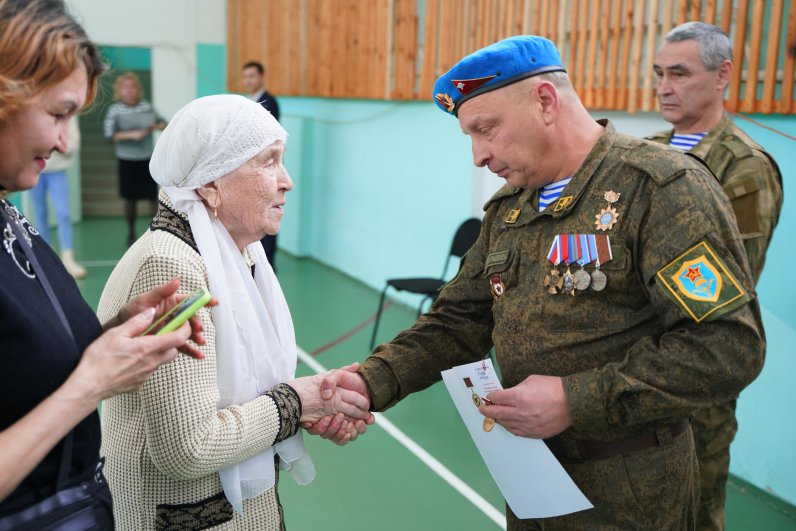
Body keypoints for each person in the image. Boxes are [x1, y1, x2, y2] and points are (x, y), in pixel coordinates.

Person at [311, 36, 766, 530]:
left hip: (631, 497)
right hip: (530, 481)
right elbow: (458, 320)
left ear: (545, 102)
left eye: (486, 130)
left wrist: (576, 398)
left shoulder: (660, 189)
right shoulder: (511, 208)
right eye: (470, 136)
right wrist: (371, 380)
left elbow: (727, 346)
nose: (478, 156)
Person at [97, 94, 373, 531]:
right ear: (210, 186)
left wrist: (311, 405)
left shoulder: (233, 254)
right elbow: (187, 447)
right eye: (268, 162)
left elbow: (247, 389)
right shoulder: (170, 269)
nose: (287, 181)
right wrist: (297, 402)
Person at [0, 0, 209, 527]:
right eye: (57, 114)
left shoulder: (8, 211)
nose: (64, 141)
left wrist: (111, 337)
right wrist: (91, 383)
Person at [649, 21, 783, 531]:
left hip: (694, 382)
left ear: (722, 74)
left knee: (693, 512)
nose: (664, 86)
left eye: (680, 73)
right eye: (660, 73)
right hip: (631, 369)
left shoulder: (743, 169)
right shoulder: (650, 149)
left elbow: (721, 290)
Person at [103, 71, 167, 246]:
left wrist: (156, 126)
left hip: (147, 159)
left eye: (132, 86)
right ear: (119, 90)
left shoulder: (147, 107)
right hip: (126, 160)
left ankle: (157, 232)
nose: (129, 90)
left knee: (152, 197)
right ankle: (131, 233)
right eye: (125, 87)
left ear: (138, 89)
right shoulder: (114, 110)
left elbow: (165, 124)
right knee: (129, 199)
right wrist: (132, 135)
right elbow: (109, 135)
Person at [30, 118, 87, 278]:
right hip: (35, 171)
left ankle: (68, 259)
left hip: (57, 171)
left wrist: (53, 145)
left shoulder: (69, 117)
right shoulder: (35, 113)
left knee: (63, 214)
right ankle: (45, 258)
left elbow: (73, 144)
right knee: (39, 214)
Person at [242, 60, 281, 271]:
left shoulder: (269, 102)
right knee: (256, 214)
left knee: (268, 213)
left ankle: (266, 264)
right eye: (245, 76)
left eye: (252, 76)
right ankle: (256, 261)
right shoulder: (250, 102)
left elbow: (267, 140)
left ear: (261, 77)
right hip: (256, 168)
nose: (248, 80)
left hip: (266, 168)